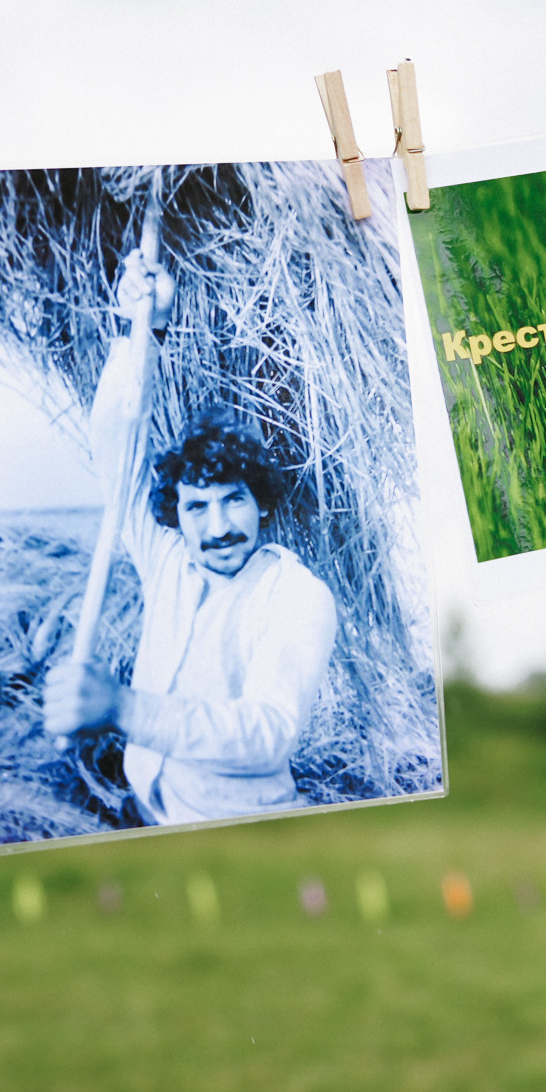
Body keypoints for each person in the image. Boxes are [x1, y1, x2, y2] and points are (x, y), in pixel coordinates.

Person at [41, 247, 339, 825]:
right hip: (150, 814)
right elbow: (115, 445)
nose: (219, 526)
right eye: (197, 506)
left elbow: (268, 733)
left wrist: (123, 707)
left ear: (263, 503)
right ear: (175, 512)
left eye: (234, 500)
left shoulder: (297, 595)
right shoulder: (169, 559)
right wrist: (140, 331)